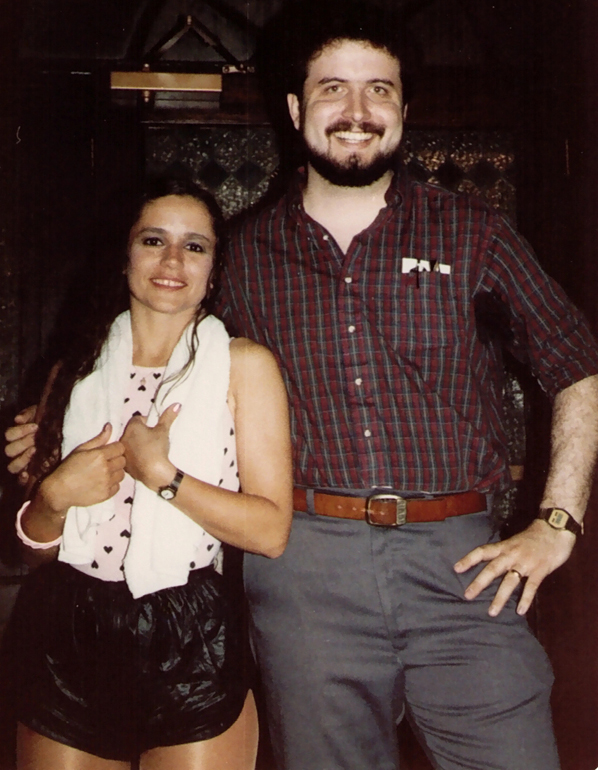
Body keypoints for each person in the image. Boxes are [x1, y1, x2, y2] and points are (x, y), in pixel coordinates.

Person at [7, 3, 598, 769]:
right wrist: (49, 418)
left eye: (378, 90)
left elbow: (576, 361)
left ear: (404, 108)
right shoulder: (245, 258)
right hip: (306, 575)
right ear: (295, 109)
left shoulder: (472, 233)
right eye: (333, 89)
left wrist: (557, 523)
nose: (356, 111)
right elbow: (148, 341)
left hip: (464, 570)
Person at [3, 176, 293, 770]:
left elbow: (270, 532)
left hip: (192, 630)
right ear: (125, 255)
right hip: (70, 628)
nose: (171, 261)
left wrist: (163, 475)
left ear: (214, 270)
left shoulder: (244, 365)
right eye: (153, 240)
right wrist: (53, 499)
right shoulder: (72, 374)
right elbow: (33, 554)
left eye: (195, 246)